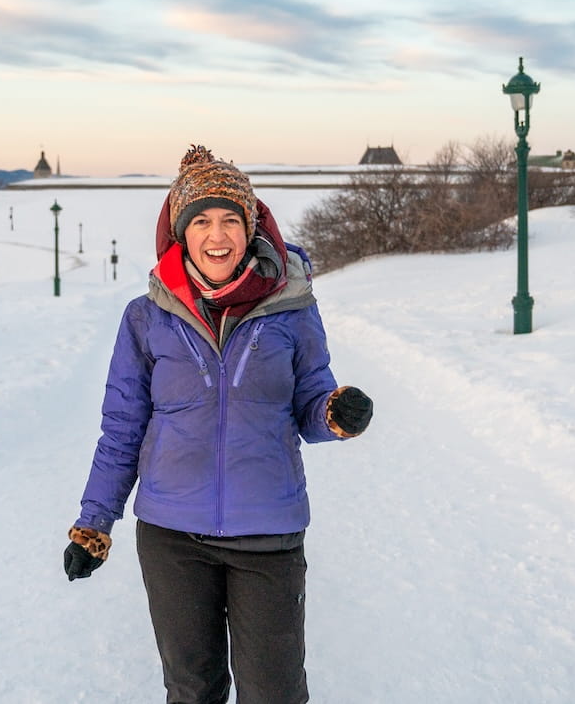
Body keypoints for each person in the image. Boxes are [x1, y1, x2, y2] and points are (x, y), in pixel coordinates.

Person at [64, 145, 374, 704]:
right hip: (172, 537)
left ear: (250, 229)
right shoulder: (145, 317)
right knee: (192, 690)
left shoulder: (291, 307)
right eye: (202, 220)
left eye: (231, 218)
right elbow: (122, 429)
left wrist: (335, 414)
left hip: (269, 533)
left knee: (274, 693)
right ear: (181, 233)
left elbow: (310, 402)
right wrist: (95, 523)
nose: (217, 233)